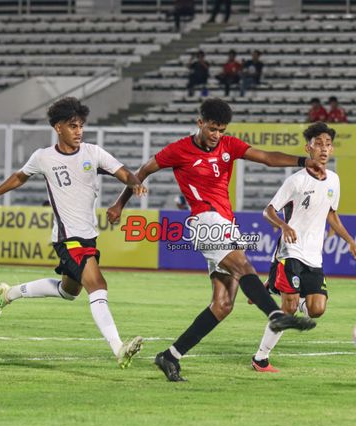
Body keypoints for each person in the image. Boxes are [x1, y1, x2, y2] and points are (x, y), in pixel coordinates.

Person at [107, 98, 322, 382]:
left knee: (222, 305)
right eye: (212, 128)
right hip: (204, 221)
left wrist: (302, 161)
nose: (216, 135)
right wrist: (120, 203)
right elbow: (143, 171)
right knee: (244, 266)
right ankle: (273, 313)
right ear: (200, 123)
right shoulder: (179, 150)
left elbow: (267, 158)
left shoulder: (228, 146)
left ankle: (170, 356)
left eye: (221, 130)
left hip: (226, 224)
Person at [0, 97, 146, 369]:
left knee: (69, 291)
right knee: (97, 285)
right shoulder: (43, 157)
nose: (79, 131)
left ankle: (9, 294)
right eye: (73, 126)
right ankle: (118, 348)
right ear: (58, 127)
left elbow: (124, 173)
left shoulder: (93, 153)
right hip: (67, 238)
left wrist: (135, 185)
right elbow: (18, 177)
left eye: (81, 126)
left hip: (88, 236)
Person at [251, 123, 356, 372]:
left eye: (327, 144)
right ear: (308, 148)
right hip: (290, 250)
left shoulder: (334, 180)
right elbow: (268, 210)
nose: (324, 148)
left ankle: (277, 285)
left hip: (314, 256)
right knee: (288, 307)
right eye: (318, 143)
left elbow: (332, 215)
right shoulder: (296, 180)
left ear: (332, 149)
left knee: (317, 310)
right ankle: (261, 358)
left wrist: (350, 241)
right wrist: (283, 225)